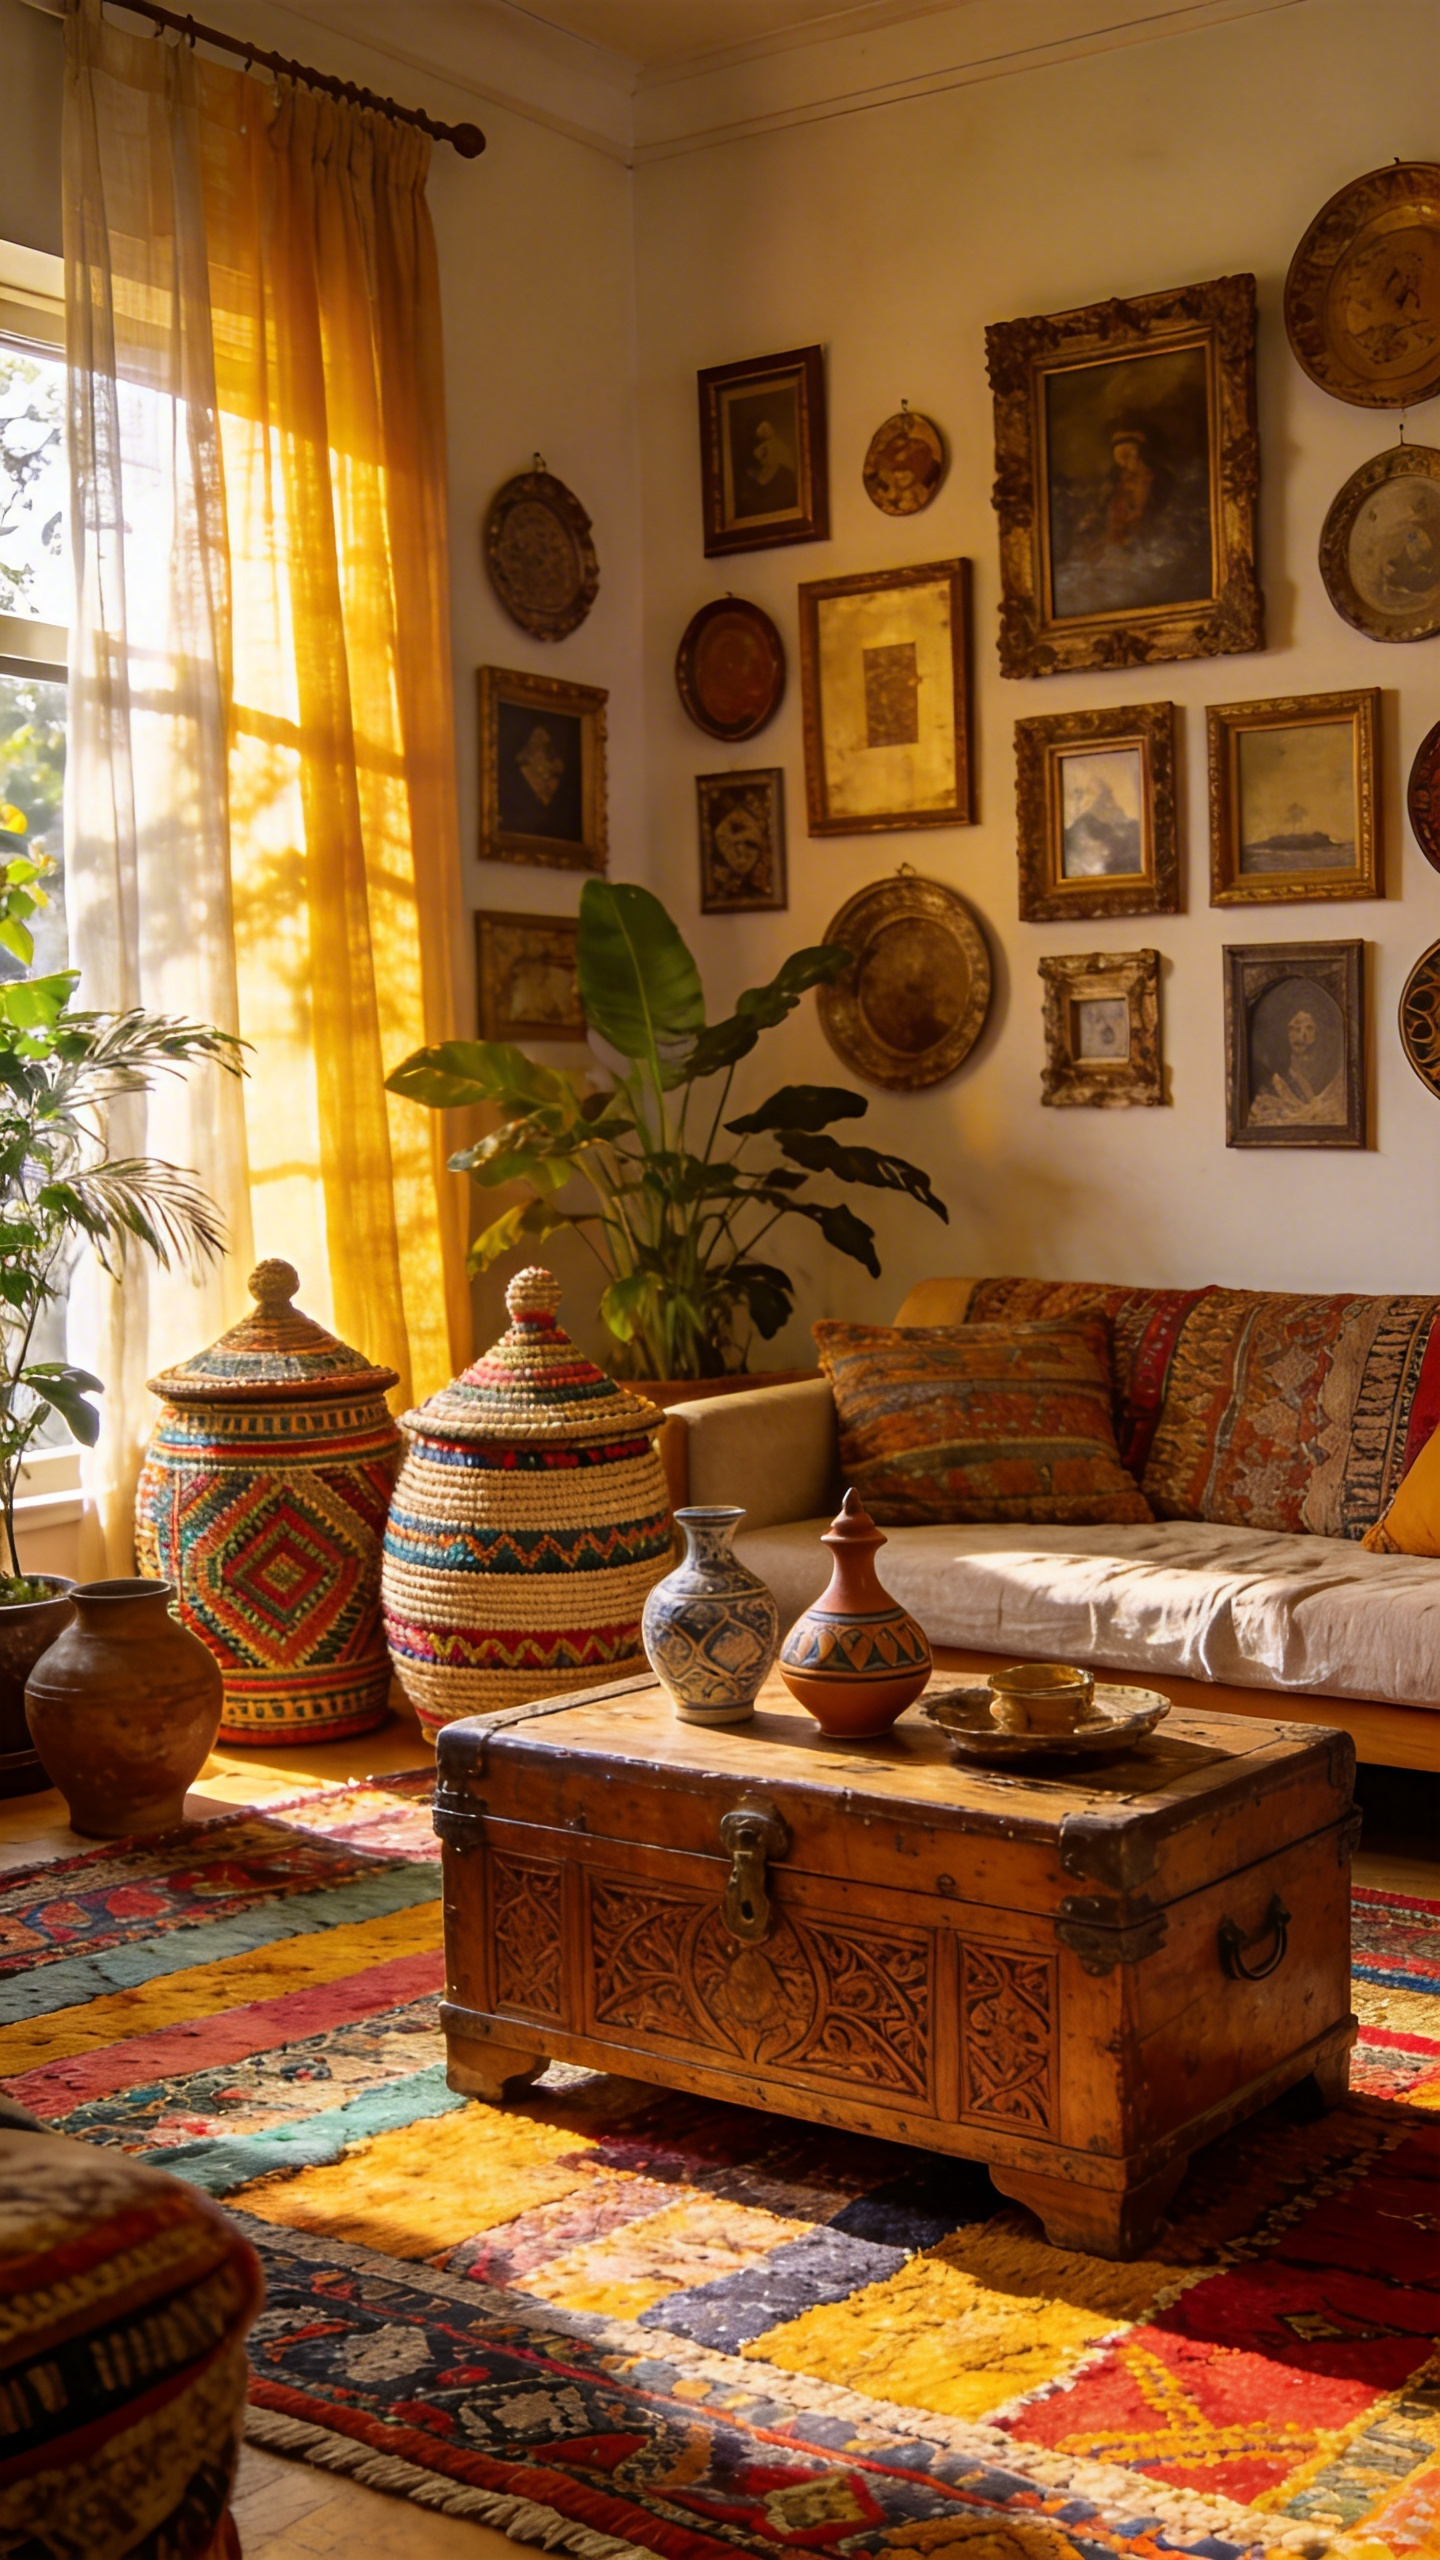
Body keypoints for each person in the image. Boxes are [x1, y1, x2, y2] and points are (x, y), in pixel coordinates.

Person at [1248, 1001, 1346, 1125]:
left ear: (1318, 1033)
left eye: (1309, 1028)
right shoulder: (1274, 1083)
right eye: (1295, 1029)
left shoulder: (1332, 1079)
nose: (1302, 1036)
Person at [733, 413, 797, 516]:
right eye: (761, 429)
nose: (764, 431)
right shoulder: (759, 449)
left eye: (766, 428)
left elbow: (772, 467)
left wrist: (761, 481)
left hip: (778, 479)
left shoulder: (774, 447)